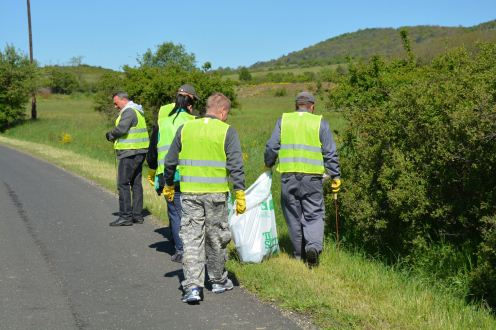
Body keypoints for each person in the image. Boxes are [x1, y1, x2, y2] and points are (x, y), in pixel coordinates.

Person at [163, 92, 246, 303]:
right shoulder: (227, 131)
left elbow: (170, 160)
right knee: (216, 238)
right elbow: (236, 165)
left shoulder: (186, 128)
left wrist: (169, 184)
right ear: (222, 111)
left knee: (191, 239)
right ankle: (218, 281)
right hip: (217, 195)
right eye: (227, 114)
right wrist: (240, 193)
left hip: (190, 194)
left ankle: (192, 287)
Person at [264, 91, 341, 267]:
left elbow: (272, 146)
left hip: (288, 177)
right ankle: (312, 248)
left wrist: (268, 163)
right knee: (314, 214)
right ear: (312, 106)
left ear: (296, 106)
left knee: (293, 216)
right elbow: (330, 152)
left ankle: (299, 255)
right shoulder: (319, 121)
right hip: (313, 178)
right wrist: (335, 175)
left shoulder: (284, 120)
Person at [146, 84, 198, 263]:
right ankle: (192, 250)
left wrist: (152, 170)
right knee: (192, 213)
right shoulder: (193, 122)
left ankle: (180, 250)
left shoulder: (162, 123)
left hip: (166, 176)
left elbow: (152, 152)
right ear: (190, 105)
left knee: (175, 213)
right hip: (188, 175)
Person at [105, 92, 149, 226]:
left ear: (123, 100)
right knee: (135, 183)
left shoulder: (129, 111)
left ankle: (125, 216)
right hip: (139, 151)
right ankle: (137, 215)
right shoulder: (137, 110)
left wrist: (110, 135)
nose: (115, 106)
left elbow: (121, 129)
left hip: (130, 152)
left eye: (116, 102)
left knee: (123, 184)